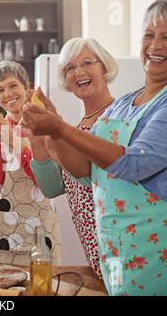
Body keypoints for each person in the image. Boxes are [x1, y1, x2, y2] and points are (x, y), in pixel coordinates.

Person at [21, 0, 167, 295]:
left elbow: (133, 164)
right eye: (149, 35)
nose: (155, 46)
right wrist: (53, 130)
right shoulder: (125, 104)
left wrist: (58, 127)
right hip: (117, 248)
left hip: (162, 250)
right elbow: (83, 170)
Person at [28, 37, 118, 278]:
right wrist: (38, 143)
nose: (79, 72)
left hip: (119, 241)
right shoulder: (78, 126)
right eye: (70, 67)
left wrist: (56, 129)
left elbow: (94, 178)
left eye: (87, 62)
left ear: (104, 67)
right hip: (93, 248)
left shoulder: (117, 117)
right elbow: (52, 187)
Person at [0, 61, 61, 266]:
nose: (8, 93)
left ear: (26, 87)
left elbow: (42, 180)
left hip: (40, 221)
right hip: (2, 222)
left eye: (13, 85)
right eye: (0, 90)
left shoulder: (43, 126)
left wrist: (10, 136)